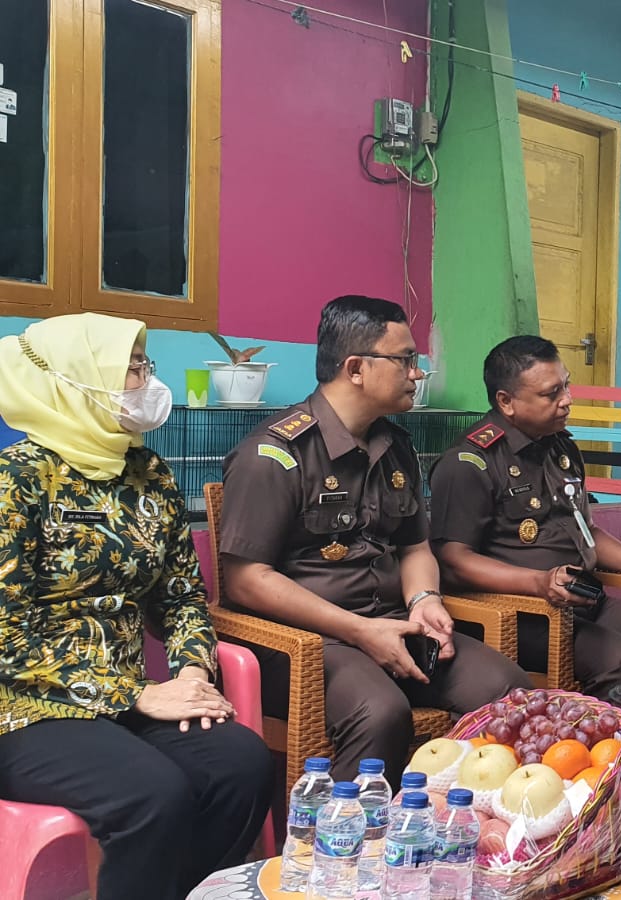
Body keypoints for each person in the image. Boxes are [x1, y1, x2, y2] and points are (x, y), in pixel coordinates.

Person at [0, 314, 273, 900]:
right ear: (76, 377)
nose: (147, 380)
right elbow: (7, 637)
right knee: (152, 794)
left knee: (241, 765)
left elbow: (181, 596)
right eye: (131, 367)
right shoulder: (15, 482)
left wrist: (192, 673)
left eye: (145, 364)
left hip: (129, 701)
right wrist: (136, 695)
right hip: (26, 709)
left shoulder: (149, 475)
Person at [219, 296, 527, 783]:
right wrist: (359, 630)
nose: (416, 373)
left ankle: (460, 817)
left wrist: (424, 599)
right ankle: (341, 831)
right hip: (306, 642)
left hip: (392, 626)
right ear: (356, 369)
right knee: (380, 712)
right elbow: (246, 580)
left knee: (508, 691)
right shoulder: (275, 454)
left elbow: (415, 547)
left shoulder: (395, 446)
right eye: (405, 359)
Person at [429, 335, 621, 697]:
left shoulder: (560, 449)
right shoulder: (470, 463)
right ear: (506, 402)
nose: (567, 400)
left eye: (566, 385)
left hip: (584, 602)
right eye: (551, 393)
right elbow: (453, 562)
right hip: (523, 616)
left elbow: (585, 531)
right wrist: (539, 582)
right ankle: (599, 734)